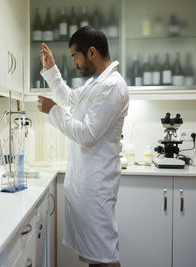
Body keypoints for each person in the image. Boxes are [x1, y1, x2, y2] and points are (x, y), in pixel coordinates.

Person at [37, 26, 129, 267]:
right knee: (95, 257)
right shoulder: (95, 83)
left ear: (91, 52)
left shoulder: (112, 86)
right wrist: (51, 69)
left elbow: (88, 135)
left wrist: (53, 111)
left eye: (75, 56)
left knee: (105, 257)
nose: (75, 64)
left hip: (97, 187)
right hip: (85, 184)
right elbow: (68, 98)